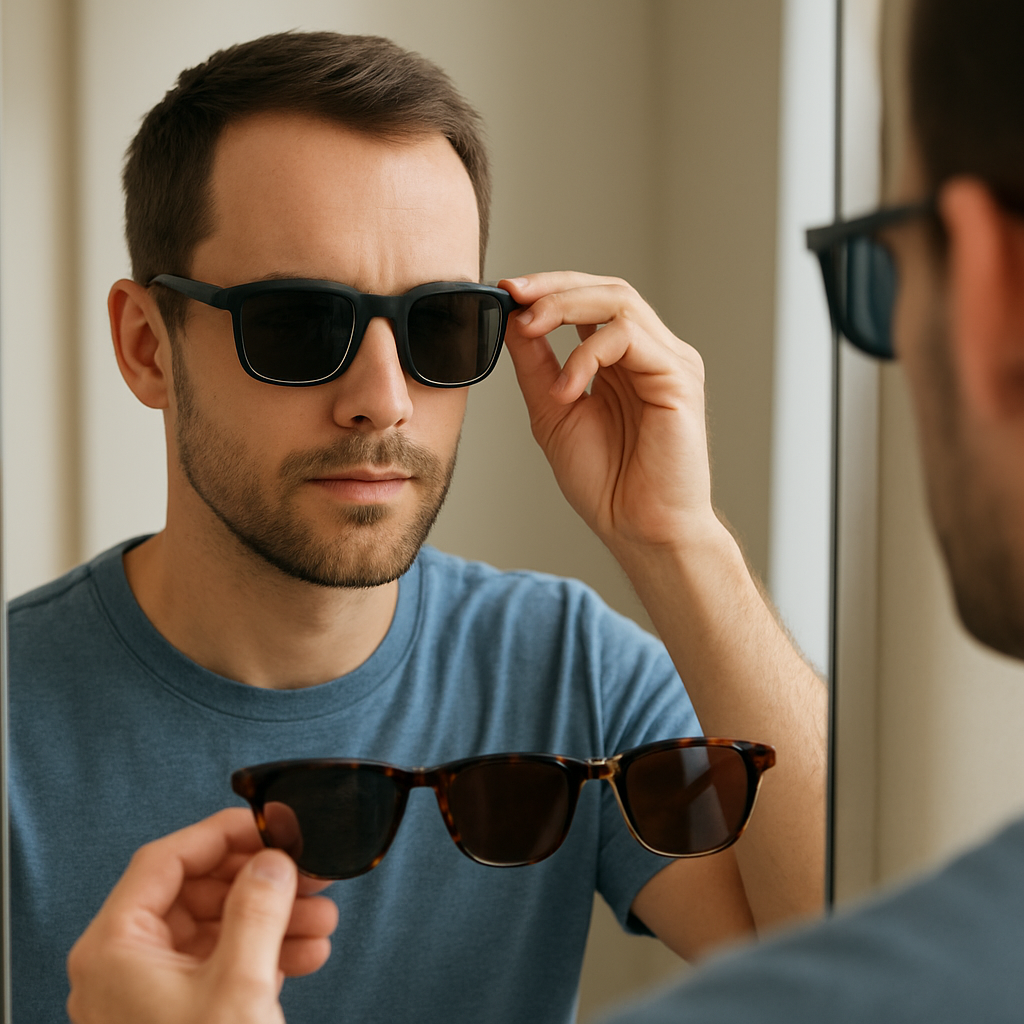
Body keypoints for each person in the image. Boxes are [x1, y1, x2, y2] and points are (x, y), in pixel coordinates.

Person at [11, 30, 825, 1024]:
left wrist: (680, 538)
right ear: (148, 347)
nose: (385, 400)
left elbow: (863, 963)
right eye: (301, 324)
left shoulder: (570, 673)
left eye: (441, 325)